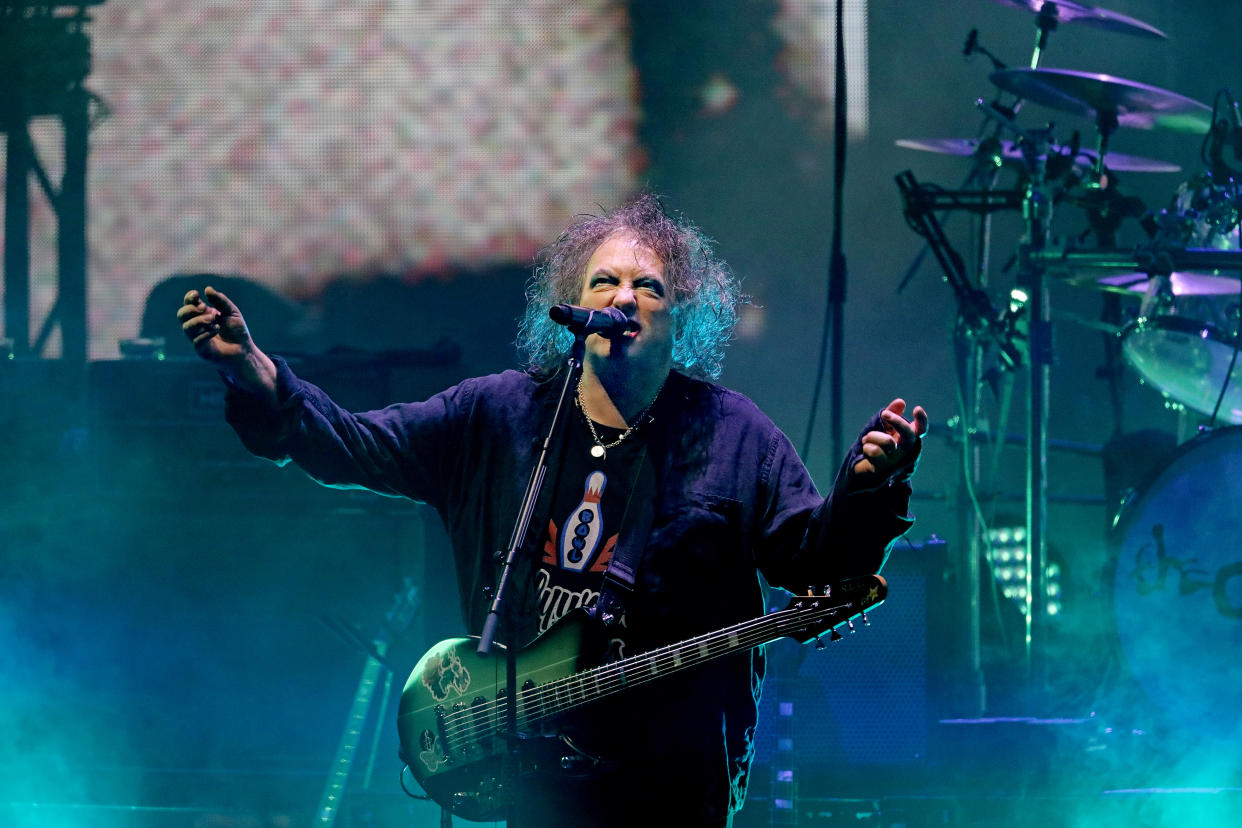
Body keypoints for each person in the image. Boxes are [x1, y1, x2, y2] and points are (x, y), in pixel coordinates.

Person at [177, 194, 927, 827]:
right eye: (604, 283)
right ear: (572, 310)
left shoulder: (734, 435)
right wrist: (256, 374)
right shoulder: (497, 415)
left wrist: (869, 482)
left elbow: (818, 562)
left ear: (681, 321)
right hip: (533, 779)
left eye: (650, 288)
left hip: (674, 784)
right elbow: (357, 445)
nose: (623, 299)